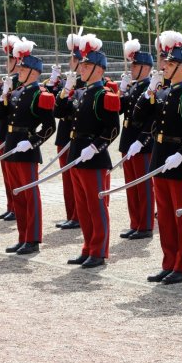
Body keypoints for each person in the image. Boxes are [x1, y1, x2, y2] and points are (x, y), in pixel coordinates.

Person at [136, 32, 182, 285]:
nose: (163, 66)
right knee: (164, 215)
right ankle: (169, 262)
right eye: (164, 62)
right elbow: (138, 117)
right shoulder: (163, 92)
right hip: (160, 156)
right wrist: (149, 92)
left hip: (178, 159)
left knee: (180, 215)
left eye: (169, 63)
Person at [0, 37, 56, 255]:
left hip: (26, 149)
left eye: (23, 68)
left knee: (30, 195)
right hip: (11, 147)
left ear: (33, 72)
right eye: (19, 67)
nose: (18, 70)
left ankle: (33, 238)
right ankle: (22, 237)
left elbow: (49, 128)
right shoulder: (16, 92)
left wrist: (32, 142)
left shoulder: (40, 94)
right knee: (17, 196)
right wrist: (3, 96)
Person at [65, 35, 120, 268]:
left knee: (97, 207)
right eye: (82, 65)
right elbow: (61, 111)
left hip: (94, 157)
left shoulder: (104, 95)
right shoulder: (81, 93)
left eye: (86, 66)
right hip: (77, 153)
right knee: (84, 207)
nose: (81, 69)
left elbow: (113, 128)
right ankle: (87, 247)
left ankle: (98, 251)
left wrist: (95, 147)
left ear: (98, 69)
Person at [118, 36, 155, 240]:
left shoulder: (150, 89)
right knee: (131, 186)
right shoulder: (133, 86)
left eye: (136, 66)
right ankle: (136, 222)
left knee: (143, 186)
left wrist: (142, 141)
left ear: (146, 68)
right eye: (133, 65)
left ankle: (146, 225)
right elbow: (120, 109)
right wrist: (122, 91)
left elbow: (152, 120)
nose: (132, 69)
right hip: (128, 138)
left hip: (141, 141)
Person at [51, 30, 84, 230]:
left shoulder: (85, 84)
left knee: (77, 180)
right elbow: (56, 109)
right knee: (67, 179)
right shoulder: (67, 82)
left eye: (74, 60)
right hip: (64, 134)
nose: (71, 63)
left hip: (76, 134)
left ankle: (78, 215)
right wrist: (58, 84)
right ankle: (71, 214)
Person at [0, 34, 21, 222]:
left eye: (9, 59)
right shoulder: (7, 80)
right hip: (3, 131)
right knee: (6, 174)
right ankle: (10, 205)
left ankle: (16, 206)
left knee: (14, 175)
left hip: (13, 132)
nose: (6, 63)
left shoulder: (19, 81)